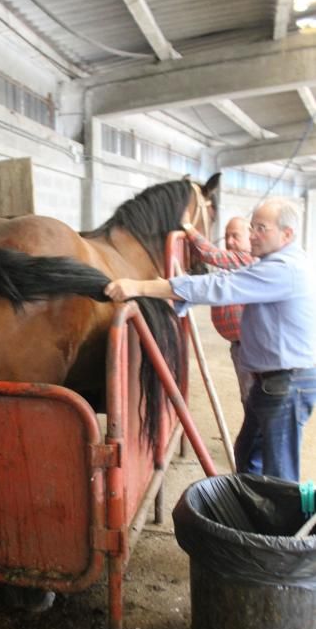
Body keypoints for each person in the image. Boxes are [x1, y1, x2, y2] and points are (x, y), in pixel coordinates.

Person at [105, 197, 316, 482]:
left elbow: (220, 285)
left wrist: (139, 286)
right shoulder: (278, 261)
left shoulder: (282, 269)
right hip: (271, 382)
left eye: (261, 228)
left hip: (286, 384)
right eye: (252, 227)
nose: (252, 235)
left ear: (286, 234)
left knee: (278, 472)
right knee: (248, 455)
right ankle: (256, 512)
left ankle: (283, 525)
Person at [182, 216, 255, 405]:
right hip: (240, 346)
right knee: (248, 397)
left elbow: (211, 254)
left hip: (250, 346)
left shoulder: (247, 259)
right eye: (226, 236)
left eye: (235, 236)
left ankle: (258, 434)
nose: (229, 242)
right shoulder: (233, 265)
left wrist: (188, 227)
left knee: (254, 399)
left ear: (251, 236)